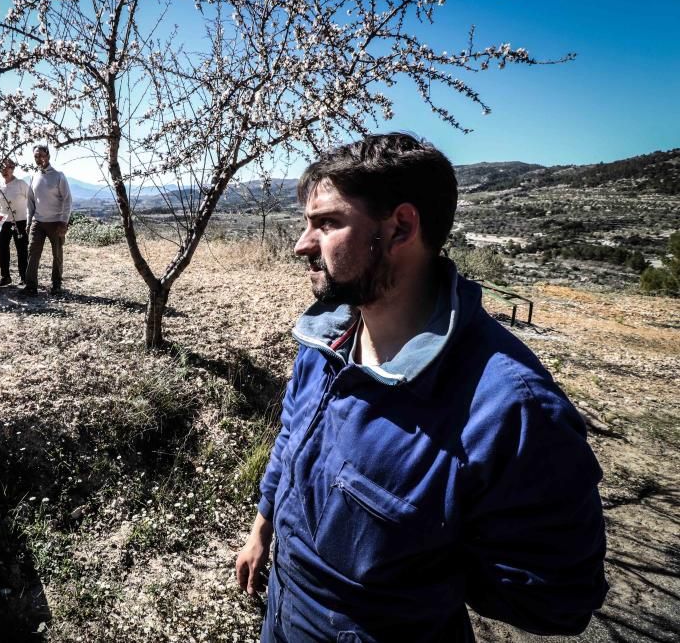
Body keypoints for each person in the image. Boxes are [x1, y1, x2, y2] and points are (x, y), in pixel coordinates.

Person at [235, 133, 607, 642]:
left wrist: (416, 580)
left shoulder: (511, 410)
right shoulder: (323, 340)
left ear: (401, 227)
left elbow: (558, 598)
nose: (302, 244)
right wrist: (263, 527)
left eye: (326, 223)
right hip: (282, 618)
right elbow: (290, 437)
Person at [23, 144, 72, 296]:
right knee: (32, 253)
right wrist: (28, 221)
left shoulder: (59, 176)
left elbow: (67, 199)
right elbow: (30, 201)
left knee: (57, 254)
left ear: (48, 156)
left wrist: (64, 221)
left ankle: (56, 285)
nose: (39, 158)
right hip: (38, 221)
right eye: (36, 156)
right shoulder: (33, 176)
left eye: (42, 155)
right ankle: (31, 287)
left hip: (56, 222)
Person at [0, 158, 34, 286]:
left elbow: (31, 201)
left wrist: (30, 219)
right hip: (4, 223)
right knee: (3, 249)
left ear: (13, 168)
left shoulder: (21, 184)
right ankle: (5, 276)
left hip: (20, 221)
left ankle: (24, 277)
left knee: (22, 250)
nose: (5, 171)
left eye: (7, 167)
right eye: (2, 168)